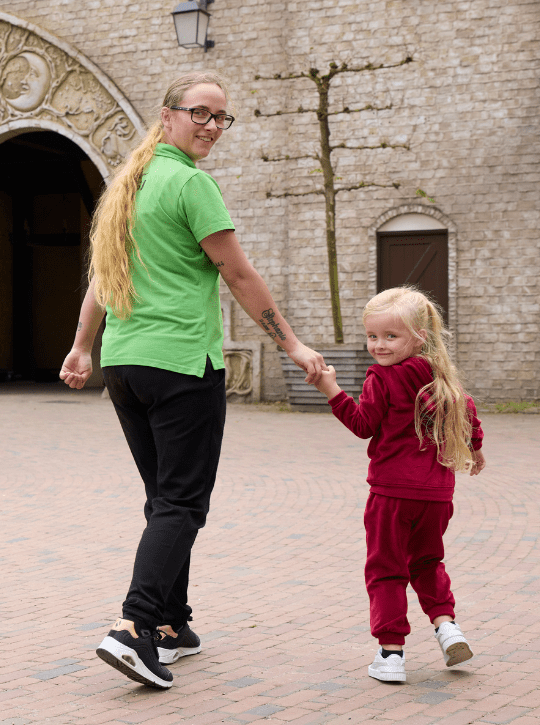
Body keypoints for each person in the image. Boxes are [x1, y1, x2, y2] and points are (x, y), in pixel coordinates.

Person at [60, 71, 326, 690]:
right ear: (169, 114)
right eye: (199, 114)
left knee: (163, 500)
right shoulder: (191, 184)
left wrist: (81, 347)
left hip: (126, 364)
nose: (211, 126)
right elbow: (237, 273)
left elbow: (103, 279)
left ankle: (172, 625)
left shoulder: (129, 184)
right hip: (180, 363)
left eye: (221, 118)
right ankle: (135, 627)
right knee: (182, 502)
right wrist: (291, 343)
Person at [312, 286, 485, 683]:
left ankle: (391, 654)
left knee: (386, 570)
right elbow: (467, 410)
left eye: (391, 336)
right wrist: (476, 448)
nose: (379, 345)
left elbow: (362, 425)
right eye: (372, 336)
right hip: (437, 496)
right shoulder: (439, 373)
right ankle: (447, 627)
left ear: (418, 336)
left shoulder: (382, 377)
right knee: (427, 561)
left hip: (391, 494)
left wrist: (331, 390)